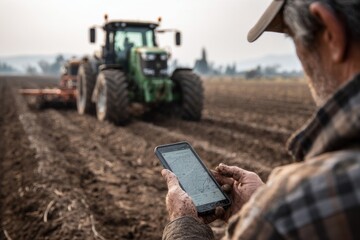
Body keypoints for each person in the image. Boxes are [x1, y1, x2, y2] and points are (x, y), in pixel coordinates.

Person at [161, 0, 360, 239]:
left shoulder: (285, 212)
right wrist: (257, 203)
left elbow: (290, 214)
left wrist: (183, 224)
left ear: (331, 33)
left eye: (293, 38)